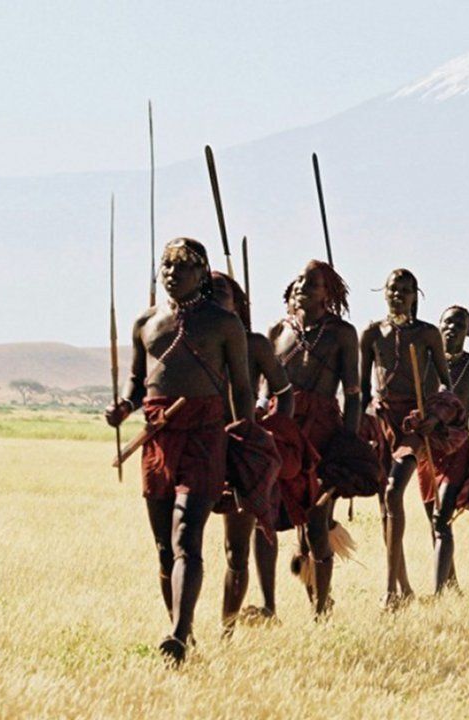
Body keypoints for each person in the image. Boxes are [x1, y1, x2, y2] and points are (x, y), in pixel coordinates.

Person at [104, 238, 254, 664]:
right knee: (164, 547)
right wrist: (124, 406)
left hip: (206, 433)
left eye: (183, 266)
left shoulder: (225, 324)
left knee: (188, 535)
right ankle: (180, 632)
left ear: (202, 272)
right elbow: (137, 382)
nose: (172, 273)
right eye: (166, 266)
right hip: (158, 437)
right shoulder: (144, 323)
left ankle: (178, 632)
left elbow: (242, 387)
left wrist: (243, 432)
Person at [265, 260, 361, 617]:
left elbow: (353, 394)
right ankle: (301, 600)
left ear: (328, 292)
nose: (303, 286)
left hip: (323, 432)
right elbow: (263, 389)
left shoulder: (341, 333)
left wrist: (346, 446)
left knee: (316, 520)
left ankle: (321, 607)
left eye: (313, 283)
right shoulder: (278, 331)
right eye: (300, 280)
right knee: (287, 518)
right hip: (283, 429)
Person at [359, 269, 451, 608]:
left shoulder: (427, 334)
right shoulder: (371, 334)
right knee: (385, 504)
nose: (398, 294)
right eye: (392, 288)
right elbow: (363, 389)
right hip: (382, 421)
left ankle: (389, 592)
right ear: (383, 292)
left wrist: (435, 416)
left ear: (416, 295)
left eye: (405, 290)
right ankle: (404, 587)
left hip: (415, 423)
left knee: (393, 490)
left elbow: (446, 383)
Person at [208, 272, 292, 633]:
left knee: (237, 546)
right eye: (206, 292)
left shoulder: (254, 344)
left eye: (221, 293)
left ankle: (229, 628)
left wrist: (273, 431)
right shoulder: (194, 343)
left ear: (238, 302)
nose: (213, 298)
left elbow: (284, 392)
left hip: (243, 448)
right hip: (202, 444)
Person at [417, 305, 469, 593]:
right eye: (447, 323)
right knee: (433, 519)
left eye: (460, 325)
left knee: (441, 517)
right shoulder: (425, 362)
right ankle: (451, 583)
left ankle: (436, 594)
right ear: (438, 326)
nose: (452, 329)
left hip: (457, 447)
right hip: (427, 448)